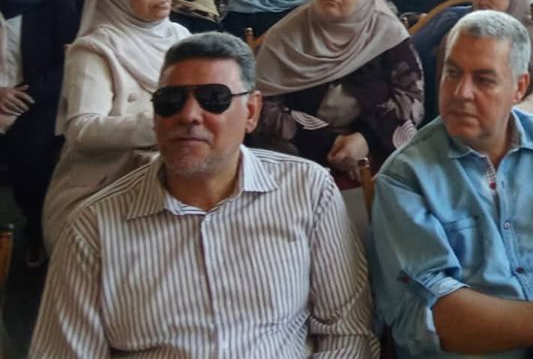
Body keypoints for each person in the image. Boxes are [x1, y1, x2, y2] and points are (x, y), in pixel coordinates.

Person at [31, 32, 376, 356]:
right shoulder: (93, 228)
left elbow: (347, 332)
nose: (189, 115)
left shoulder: (307, 191)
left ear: (251, 112)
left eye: (214, 99)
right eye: (171, 101)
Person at [369, 10, 533, 358]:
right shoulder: (405, 177)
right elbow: (429, 314)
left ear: (519, 87)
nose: (461, 92)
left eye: (484, 79)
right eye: (452, 73)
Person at [42, 0, 190, 252]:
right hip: (109, 183)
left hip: (177, 172)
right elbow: (82, 129)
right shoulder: (96, 49)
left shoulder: (181, 38)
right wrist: (162, 127)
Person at [253, 0, 423, 176]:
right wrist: (331, 142)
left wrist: (366, 139)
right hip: (301, 155)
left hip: (379, 146)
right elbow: (263, 106)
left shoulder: (387, 33)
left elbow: (412, 97)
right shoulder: (284, 37)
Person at [0, 0, 79, 266]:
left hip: (36, 101)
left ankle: (37, 230)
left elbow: (69, 61)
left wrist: (22, 98)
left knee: (32, 164)